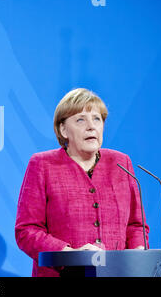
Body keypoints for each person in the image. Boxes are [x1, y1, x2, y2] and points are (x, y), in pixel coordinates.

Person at [15, 88, 149, 277]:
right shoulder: (43, 165)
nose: (91, 126)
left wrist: (137, 255)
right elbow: (27, 231)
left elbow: (137, 225)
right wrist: (69, 254)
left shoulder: (121, 163)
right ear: (63, 129)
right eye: (80, 120)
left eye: (97, 119)